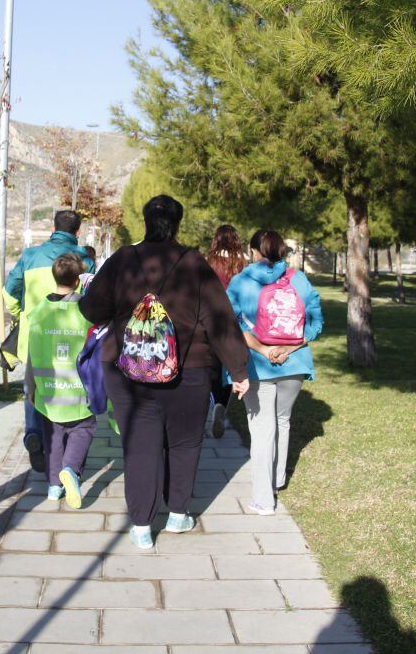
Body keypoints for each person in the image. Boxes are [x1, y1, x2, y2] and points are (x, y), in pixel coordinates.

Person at [79, 195, 250, 550]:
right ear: (178, 223)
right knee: (184, 442)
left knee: (139, 445)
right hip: (189, 370)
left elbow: (91, 307)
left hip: (128, 371)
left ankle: (141, 524)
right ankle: (177, 515)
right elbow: (219, 319)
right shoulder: (193, 263)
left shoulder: (123, 259)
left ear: (144, 220)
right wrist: (238, 369)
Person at [226, 229, 322, 514]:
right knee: (283, 420)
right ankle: (278, 479)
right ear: (282, 251)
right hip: (295, 363)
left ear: (254, 251)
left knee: (261, 429)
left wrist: (265, 350)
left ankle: (264, 499)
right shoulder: (299, 279)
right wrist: (290, 349)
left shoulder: (241, 282)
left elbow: (232, 325)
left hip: (258, 363)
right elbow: (316, 321)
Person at [3, 211, 95, 473]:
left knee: (33, 388)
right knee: (72, 393)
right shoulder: (85, 258)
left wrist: (20, 315)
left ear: (53, 227)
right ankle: (68, 453)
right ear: (77, 232)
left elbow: (9, 292)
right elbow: (93, 294)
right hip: (73, 337)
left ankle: (35, 434)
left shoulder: (30, 256)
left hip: (37, 335)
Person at [25, 253, 95, 509]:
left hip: (48, 391)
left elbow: (32, 354)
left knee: (52, 438)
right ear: (78, 281)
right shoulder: (85, 310)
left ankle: (54, 486)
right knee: (83, 429)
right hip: (78, 390)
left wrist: (30, 387)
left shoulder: (39, 312)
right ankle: (70, 469)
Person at [205, 225, 248, 438]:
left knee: (213, 366)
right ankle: (223, 402)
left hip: (212, 319)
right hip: (236, 320)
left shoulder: (209, 260)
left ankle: (214, 403)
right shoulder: (242, 262)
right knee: (232, 364)